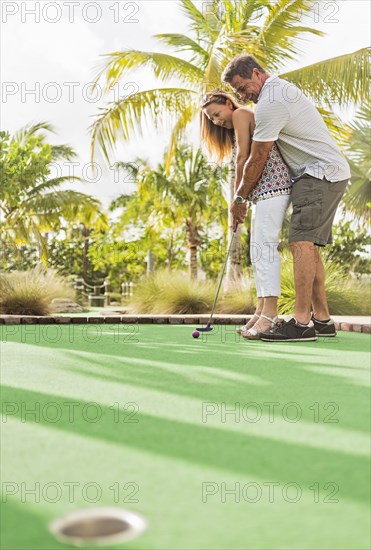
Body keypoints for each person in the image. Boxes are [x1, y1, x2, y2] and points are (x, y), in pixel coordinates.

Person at [222, 54, 351, 342]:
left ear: (257, 73)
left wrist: (240, 198)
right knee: (310, 246)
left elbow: (257, 157)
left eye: (243, 88)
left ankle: (301, 322)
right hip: (326, 173)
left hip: (318, 174)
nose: (243, 96)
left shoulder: (270, 101)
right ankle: (323, 319)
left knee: (301, 242)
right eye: (238, 93)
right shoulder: (278, 90)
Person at [200, 90, 292, 338]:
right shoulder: (236, 120)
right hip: (262, 191)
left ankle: (270, 314)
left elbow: (243, 157)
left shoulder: (241, 113)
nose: (216, 121)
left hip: (275, 185)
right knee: (257, 251)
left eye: (217, 114)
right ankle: (261, 310)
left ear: (229, 104)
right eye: (211, 119)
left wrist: (238, 198)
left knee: (265, 247)